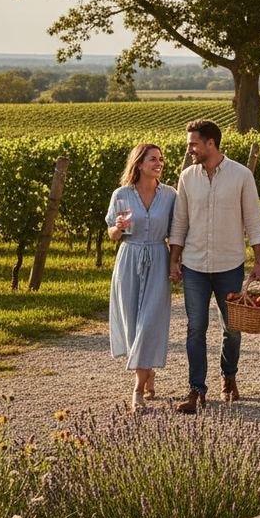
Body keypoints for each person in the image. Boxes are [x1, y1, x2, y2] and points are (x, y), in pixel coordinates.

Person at [169, 120, 260, 413]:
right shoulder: (187, 177)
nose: (190, 149)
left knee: (232, 328)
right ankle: (196, 390)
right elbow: (180, 221)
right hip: (195, 266)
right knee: (195, 328)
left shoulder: (241, 175)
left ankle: (229, 377)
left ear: (211, 143)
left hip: (230, 264)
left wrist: (259, 260)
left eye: (193, 144)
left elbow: (253, 219)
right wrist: (175, 258)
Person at [106, 143, 177, 413]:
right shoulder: (121, 194)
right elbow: (112, 235)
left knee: (149, 322)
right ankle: (147, 372)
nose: (158, 163)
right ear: (138, 164)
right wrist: (118, 227)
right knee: (132, 323)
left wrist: (175, 262)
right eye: (152, 159)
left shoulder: (170, 195)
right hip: (128, 259)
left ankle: (137, 389)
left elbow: (176, 232)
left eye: (160, 159)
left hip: (158, 258)